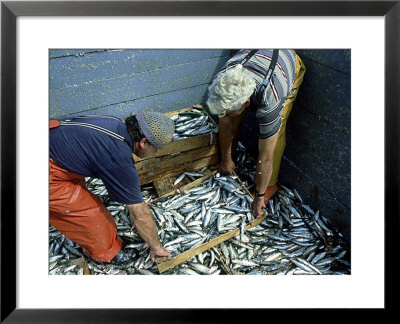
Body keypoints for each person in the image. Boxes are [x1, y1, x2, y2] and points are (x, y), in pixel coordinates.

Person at [49, 111, 175, 266]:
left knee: (78, 187)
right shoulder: (118, 157)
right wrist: (156, 247)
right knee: (91, 216)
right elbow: (140, 215)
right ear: (143, 142)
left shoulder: (114, 123)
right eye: (156, 149)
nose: (155, 153)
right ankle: (108, 253)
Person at [206, 49, 306, 217]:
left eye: (229, 111)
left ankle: (269, 186)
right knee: (230, 118)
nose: (225, 115)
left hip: (285, 65)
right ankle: (232, 160)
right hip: (258, 56)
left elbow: (265, 157)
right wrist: (226, 159)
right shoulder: (222, 81)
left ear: (246, 103)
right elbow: (225, 123)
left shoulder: (270, 100)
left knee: (274, 136)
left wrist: (259, 197)